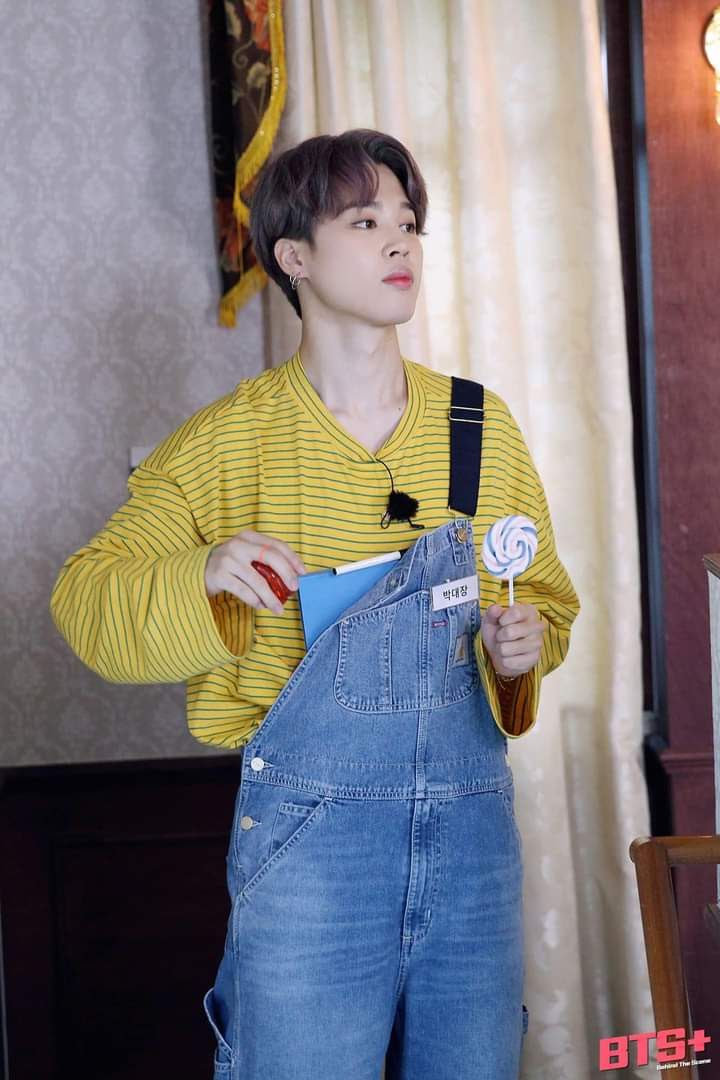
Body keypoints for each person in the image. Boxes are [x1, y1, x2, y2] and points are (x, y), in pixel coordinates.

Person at [50, 128, 580, 1080]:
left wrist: (521, 646)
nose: (401, 241)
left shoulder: (479, 426)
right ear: (293, 256)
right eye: (365, 222)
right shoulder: (226, 445)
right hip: (308, 846)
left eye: (408, 222)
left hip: (474, 841)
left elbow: (541, 597)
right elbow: (86, 600)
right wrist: (203, 572)